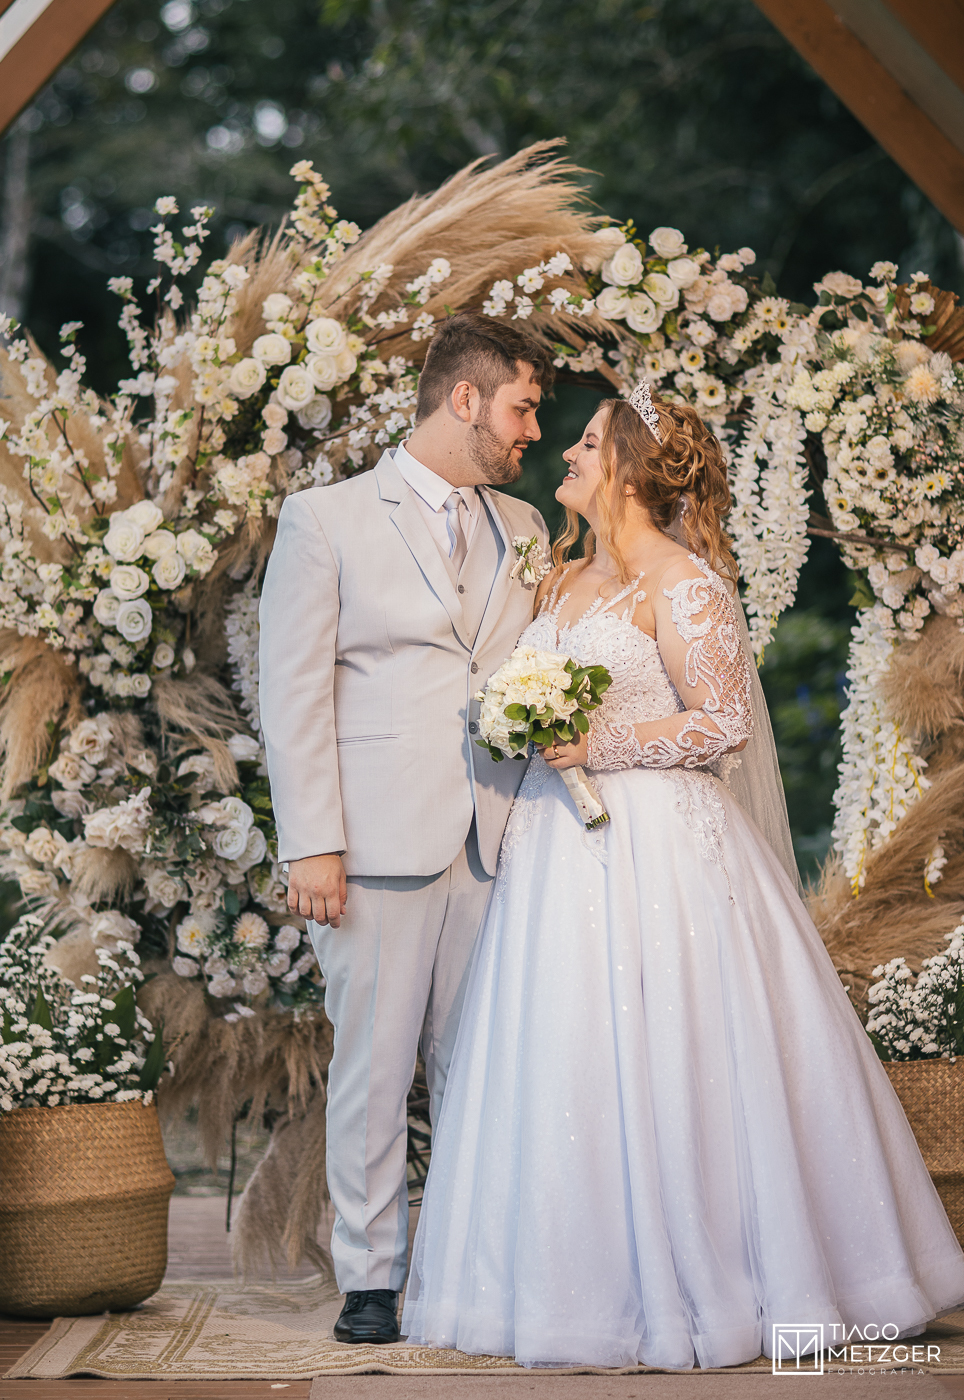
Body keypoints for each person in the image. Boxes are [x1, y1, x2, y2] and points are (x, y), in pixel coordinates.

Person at [401, 383, 964, 1370]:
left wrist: (601, 738)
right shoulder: (561, 581)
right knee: (564, 1050)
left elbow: (722, 723)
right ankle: (559, 1282)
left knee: (674, 1048)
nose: (568, 455)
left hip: (660, 852)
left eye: (586, 442)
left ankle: (726, 1278)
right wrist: (524, 724)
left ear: (627, 465)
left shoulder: (684, 584)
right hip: (553, 856)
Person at [258, 312, 552, 1345]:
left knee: (486, 1065)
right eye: (520, 407)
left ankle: (472, 1264)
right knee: (375, 1071)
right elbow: (290, 690)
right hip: (372, 844)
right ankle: (371, 1276)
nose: (531, 432)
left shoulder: (525, 529)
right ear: (462, 398)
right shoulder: (327, 516)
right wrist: (312, 842)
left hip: (499, 833)